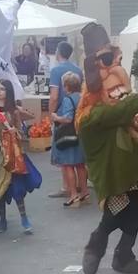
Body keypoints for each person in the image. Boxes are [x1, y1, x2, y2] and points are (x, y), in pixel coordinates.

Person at [77, 43, 138, 274]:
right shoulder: (90, 115)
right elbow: (116, 113)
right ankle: (95, 244)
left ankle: (124, 255)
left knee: (134, 211)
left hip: (131, 168)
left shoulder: (111, 104)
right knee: (116, 213)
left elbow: (122, 110)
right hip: (113, 173)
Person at [0, 79, 41, 234]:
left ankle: (24, 218)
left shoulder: (13, 111)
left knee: (17, 190)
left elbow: (21, 134)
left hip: (12, 157)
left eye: (2, 89)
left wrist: (13, 131)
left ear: (8, 92)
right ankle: (2, 220)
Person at [49, 42, 83, 198]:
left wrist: (52, 114)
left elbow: (54, 96)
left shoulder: (56, 70)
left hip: (63, 115)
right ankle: (82, 188)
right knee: (78, 156)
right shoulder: (77, 70)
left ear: (58, 52)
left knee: (64, 154)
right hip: (78, 115)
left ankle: (67, 188)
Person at [52, 72, 89, 207]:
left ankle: (73, 195)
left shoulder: (68, 99)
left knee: (68, 165)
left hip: (69, 136)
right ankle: (85, 191)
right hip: (81, 135)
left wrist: (56, 118)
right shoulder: (82, 97)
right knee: (80, 165)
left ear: (67, 86)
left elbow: (68, 118)